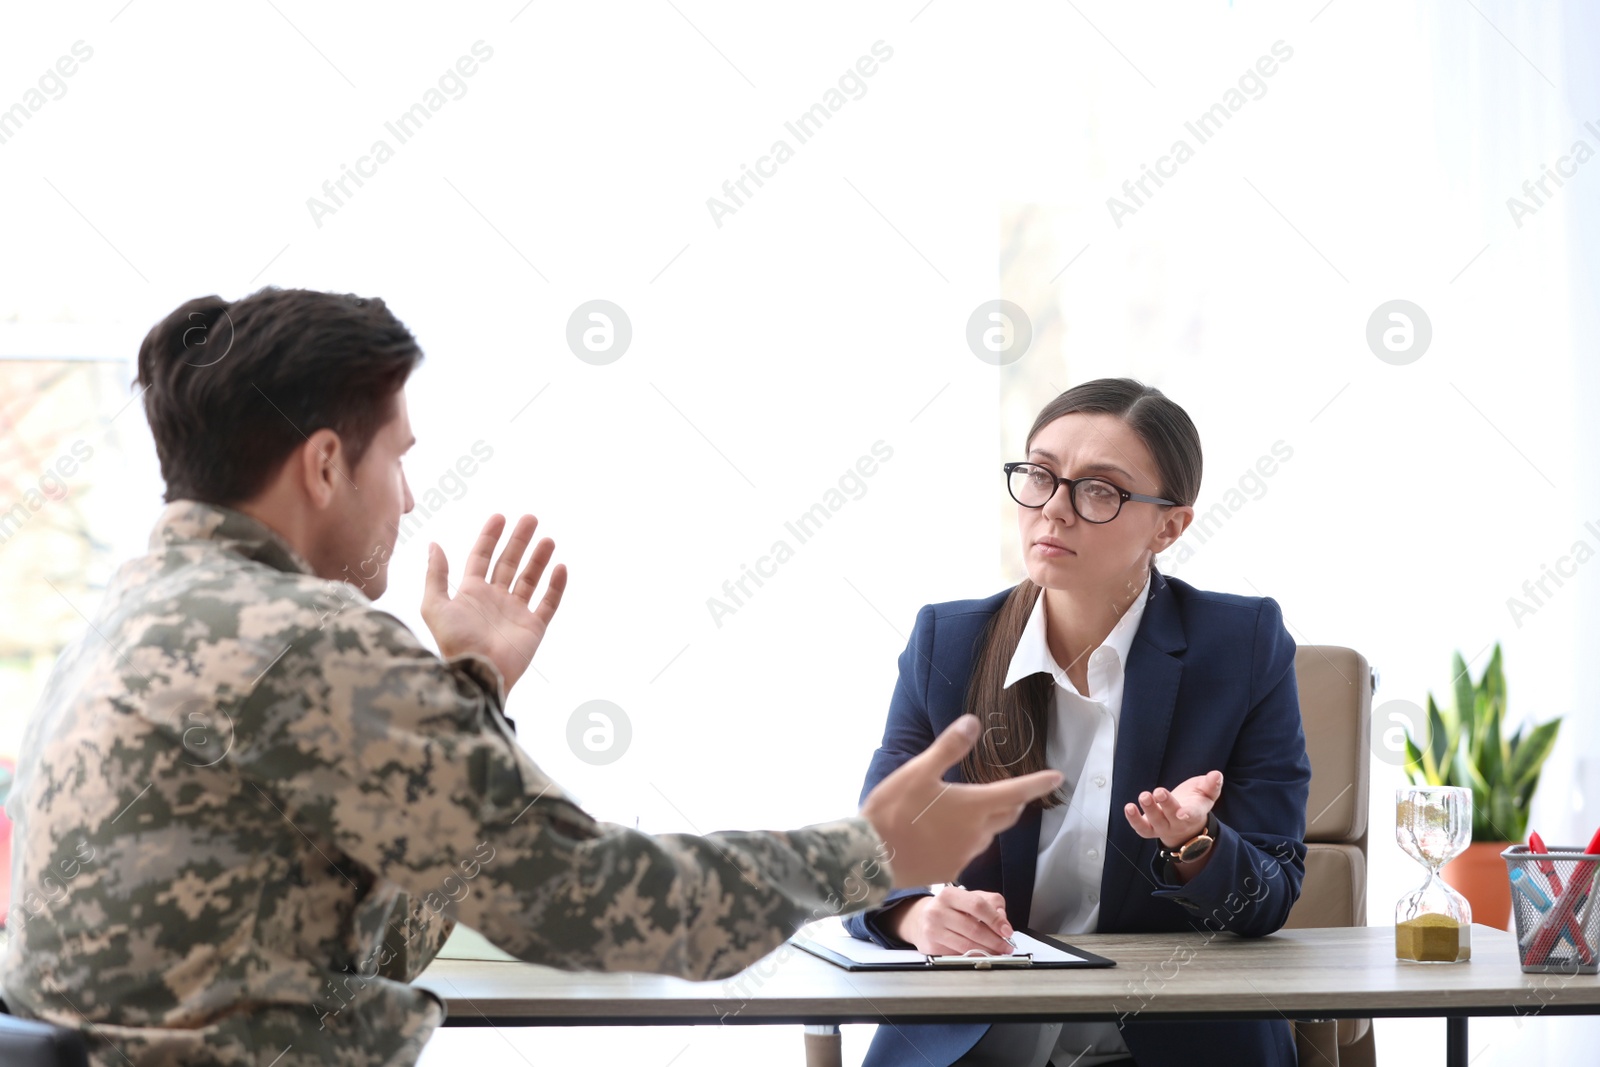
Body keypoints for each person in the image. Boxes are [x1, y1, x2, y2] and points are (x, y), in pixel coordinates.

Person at [0, 287, 1062, 1067]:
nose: (409, 496)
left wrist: (465, 691)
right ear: (325, 465)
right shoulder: (302, 642)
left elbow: (382, 916)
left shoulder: (136, 615)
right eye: (397, 455)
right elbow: (597, 906)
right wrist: (871, 852)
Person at [844, 378, 1312, 1067]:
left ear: (1170, 525)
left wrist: (1197, 846)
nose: (1054, 511)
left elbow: (1268, 897)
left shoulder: (1243, 645)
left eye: (1099, 490)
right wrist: (916, 915)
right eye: (1041, 475)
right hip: (972, 1044)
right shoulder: (947, 643)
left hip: (1174, 1047)